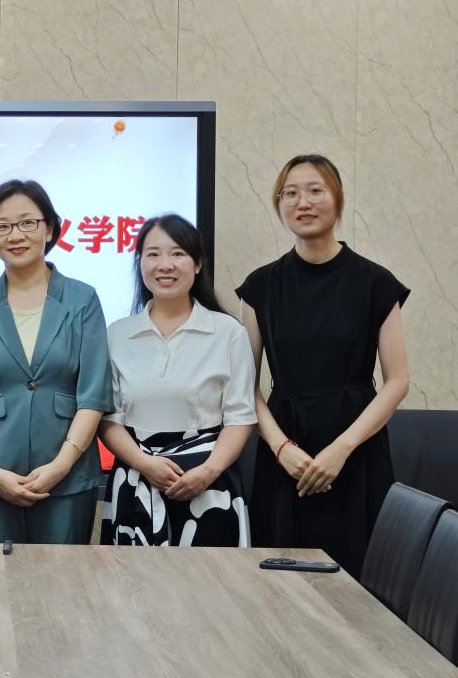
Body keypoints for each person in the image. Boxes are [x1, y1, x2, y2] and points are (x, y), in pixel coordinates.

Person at [237, 154, 410, 576]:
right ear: (279, 204)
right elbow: (245, 385)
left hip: (357, 448)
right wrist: (281, 448)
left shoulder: (376, 282)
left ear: (338, 199)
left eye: (316, 191)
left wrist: (342, 449)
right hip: (285, 449)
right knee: (280, 576)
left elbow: (397, 381)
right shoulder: (260, 286)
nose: (303, 202)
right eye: (290, 193)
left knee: (361, 577)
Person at [0, 180, 112, 544]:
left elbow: (93, 395)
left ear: (49, 228)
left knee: (62, 578)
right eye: (2, 227)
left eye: (27, 223)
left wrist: (61, 466)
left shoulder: (83, 299)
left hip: (67, 480)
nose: (15, 235)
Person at [99, 214, 255, 547]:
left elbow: (240, 417)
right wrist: (145, 464)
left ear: (197, 264)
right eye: (153, 254)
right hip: (136, 482)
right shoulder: (117, 334)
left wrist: (208, 471)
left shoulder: (228, 332)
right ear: (140, 264)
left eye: (178, 253)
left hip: (208, 485)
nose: (165, 264)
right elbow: (109, 419)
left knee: (211, 578)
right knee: (133, 579)